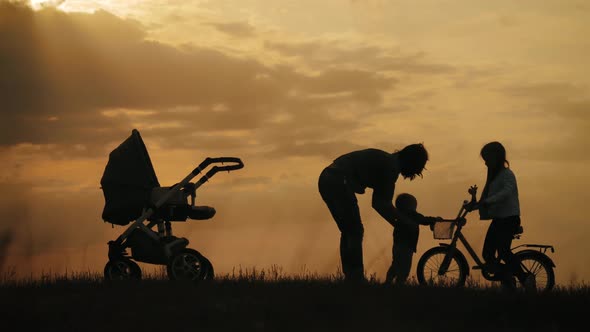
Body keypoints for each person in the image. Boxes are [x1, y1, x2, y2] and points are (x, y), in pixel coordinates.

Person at [318, 144, 429, 282]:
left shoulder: (387, 161)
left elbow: (379, 204)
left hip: (326, 177)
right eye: (418, 168)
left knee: (349, 230)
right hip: (339, 180)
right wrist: (404, 222)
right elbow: (382, 204)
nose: (416, 173)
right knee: (354, 231)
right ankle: (356, 277)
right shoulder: (390, 168)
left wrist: (398, 223)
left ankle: (351, 276)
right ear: (411, 162)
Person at [466, 141, 535, 291]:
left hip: (509, 218)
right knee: (487, 254)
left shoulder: (507, 174)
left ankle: (524, 279)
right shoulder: (494, 178)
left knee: (503, 251)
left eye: (487, 159)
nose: (485, 163)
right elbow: (487, 201)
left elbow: (507, 192)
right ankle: (507, 277)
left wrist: (488, 201)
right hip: (499, 219)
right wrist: (474, 204)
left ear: (496, 157)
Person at [385, 193, 439, 285]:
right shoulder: (412, 215)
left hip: (397, 245)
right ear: (410, 206)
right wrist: (435, 219)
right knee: (405, 267)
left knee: (396, 264)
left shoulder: (400, 216)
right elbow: (423, 220)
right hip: (407, 246)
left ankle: (388, 281)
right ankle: (400, 282)